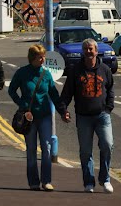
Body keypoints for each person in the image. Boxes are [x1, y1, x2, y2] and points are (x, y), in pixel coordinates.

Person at [60, 37, 115, 193]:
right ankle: (88, 182)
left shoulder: (105, 69)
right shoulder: (75, 71)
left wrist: (109, 107)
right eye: (86, 49)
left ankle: (105, 179)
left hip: (102, 116)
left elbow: (110, 89)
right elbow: (66, 93)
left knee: (107, 145)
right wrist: (64, 110)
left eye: (91, 49)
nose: (89, 52)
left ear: (96, 51)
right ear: (83, 52)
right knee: (85, 151)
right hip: (83, 116)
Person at [8, 43, 67, 191]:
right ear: (32, 58)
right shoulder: (22, 73)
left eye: (43, 57)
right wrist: (22, 103)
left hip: (45, 115)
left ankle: (46, 181)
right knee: (31, 149)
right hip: (29, 117)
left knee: (46, 148)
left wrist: (63, 111)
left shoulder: (46, 74)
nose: (43, 60)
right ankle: (33, 181)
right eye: (40, 57)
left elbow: (53, 94)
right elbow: (12, 90)